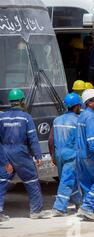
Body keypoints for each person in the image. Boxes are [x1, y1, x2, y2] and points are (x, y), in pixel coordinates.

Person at [0, 89, 51, 219]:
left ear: (11, 102)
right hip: (20, 153)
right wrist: (38, 156)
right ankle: (36, 211)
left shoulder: (2, 117)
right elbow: (32, 138)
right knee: (31, 180)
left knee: (2, 181)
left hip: (5, 152)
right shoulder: (26, 117)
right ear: (22, 101)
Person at [50, 93, 83, 217]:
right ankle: (59, 207)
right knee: (67, 180)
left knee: (69, 179)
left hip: (59, 155)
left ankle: (79, 203)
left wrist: (53, 155)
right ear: (76, 106)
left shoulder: (57, 120)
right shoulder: (78, 120)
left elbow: (51, 140)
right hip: (71, 155)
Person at [76, 89, 94, 221]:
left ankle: (87, 209)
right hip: (90, 154)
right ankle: (88, 207)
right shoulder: (91, 117)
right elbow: (92, 137)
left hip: (81, 154)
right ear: (88, 102)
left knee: (86, 183)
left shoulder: (82, 116)